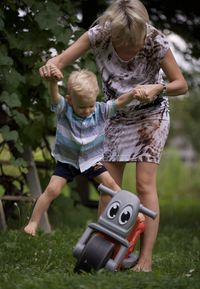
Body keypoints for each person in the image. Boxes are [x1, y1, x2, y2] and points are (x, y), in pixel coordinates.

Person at [39, 0, 188, 272]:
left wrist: (158, 87)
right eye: (123, 40)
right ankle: (103, 253)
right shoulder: (99, 35)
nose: (130, 46)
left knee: (144, 186)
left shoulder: (156, 40)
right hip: (114, 114)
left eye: (135, 40)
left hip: (150, 117)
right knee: (108, 188)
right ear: (113, 31)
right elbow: (57, 61)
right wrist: (51, 69)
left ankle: (145, 260)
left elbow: (181, 84)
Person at [24, 66, 140, 237]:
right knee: (52, 190)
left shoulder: (100, 110)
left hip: (92, 161)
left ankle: (132, 214)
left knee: (112, 186)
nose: (86, 111)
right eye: (81, 107)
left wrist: (132, 94)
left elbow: (119, 102)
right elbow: (55, 98)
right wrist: (53, 83)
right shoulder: (65, 110)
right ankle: (33, 222)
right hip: (67, 161)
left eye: (90, 106)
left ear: (95, 100)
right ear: (70, 100)